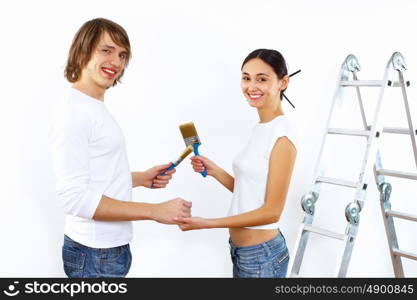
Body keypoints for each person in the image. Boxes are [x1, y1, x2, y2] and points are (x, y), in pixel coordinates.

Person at [50, 18, 192, 278]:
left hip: (107, 250)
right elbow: (74, 197)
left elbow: (94, 176)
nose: (116, 62)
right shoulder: (74, 112)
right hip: (94, 253)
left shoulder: (92, 106)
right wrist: (155, 211)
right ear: (83, 51)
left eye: (122, 54)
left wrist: (138, 179)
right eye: (106, 50)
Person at [175, 49, 297, 278]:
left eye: (262, 79)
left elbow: (272, 212)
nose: (251, 86)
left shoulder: (282, 136)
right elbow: (250, 192)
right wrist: (215, 171)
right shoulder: (260, 128)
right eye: (246, 77)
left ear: (283, 82)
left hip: (262, 257)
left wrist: (208, 223)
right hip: (242, 251)